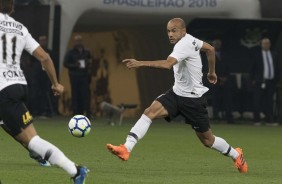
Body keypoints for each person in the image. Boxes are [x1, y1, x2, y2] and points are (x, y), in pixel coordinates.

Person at [106, 18, 248, 173]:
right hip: (176, 94)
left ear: (183, 31)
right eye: (168, 31)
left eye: (174, 30)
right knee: (149, 112)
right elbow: (210, 49)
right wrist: (211, 72)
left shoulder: (183, 44)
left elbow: (167, 64)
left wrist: (140, 63)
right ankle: (126, 148)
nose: (170, 34)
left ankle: (236, 154)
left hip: (193, 101)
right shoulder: (191, 40)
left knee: (208, 141)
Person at [0, 1, 88, 183]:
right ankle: (69, 168)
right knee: (30, 138)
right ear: (12, 7)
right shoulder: (20, 28)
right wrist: (56, 83)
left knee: (32, 140)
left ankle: (74, 170)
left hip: (3, 90)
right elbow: (44, 57)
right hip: (17, 86)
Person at [250, 38, 280, 126]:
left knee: (270, 101)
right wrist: (253, 80)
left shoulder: (274, 54)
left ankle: (269, 120)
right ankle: (257, 120)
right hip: (259, 82)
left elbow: (277, 68)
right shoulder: (257, 55)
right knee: (257, 101)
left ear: (270, 45)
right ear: (261, 45)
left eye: (268, 43)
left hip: (271, 82)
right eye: (264, 43)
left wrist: (276, 80)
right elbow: (252, 69)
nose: (266, 45)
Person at [64, 35, 92, 118]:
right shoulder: (70, 52)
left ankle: (88, 113)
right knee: (75, 94)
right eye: (77, 41)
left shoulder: (86, 51)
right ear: (74, 42)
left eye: (80, 40)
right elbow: (65, 63)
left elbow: (90, 60)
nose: (78, 42)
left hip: (84, 75)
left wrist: (88, 63)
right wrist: (74, 65)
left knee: (85, 94)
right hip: (74, 76)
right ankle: (76, 113)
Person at [210, 39, 235, 123]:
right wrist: (219, 78)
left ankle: (229, 118)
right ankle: (216, 117)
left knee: (228, 100)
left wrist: (225, 78)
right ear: (212, 45)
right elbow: (209, 69)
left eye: (218, 44)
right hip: (214, 81)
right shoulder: (209, 55)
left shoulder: (225, 55)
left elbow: (229, 67)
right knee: (215, 100)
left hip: (226, 81)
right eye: (215, 44)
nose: (217, 45)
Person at [29, 35, 53, 118]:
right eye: (41, 40)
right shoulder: (35, 51)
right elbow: (31, 62)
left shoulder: (49, 51)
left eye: (44, 40)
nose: (43, 42)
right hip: (36, 76)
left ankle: (43, 111)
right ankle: (35, 112)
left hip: (45, 76)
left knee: (44, 94)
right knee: (35, 94)